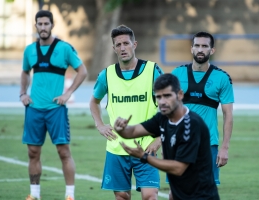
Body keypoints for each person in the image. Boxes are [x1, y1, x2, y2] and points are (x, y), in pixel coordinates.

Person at [113, 74, 220, 200]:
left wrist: (144, 156)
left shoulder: (191, 124)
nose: (162, 101)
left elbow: (178, 168)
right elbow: (133, 131)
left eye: (167, 96)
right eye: (158, 97)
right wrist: (121, 129)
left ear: (180, 94)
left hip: (202, 197)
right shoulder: (162, 119)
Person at [89, 25, 163, 200]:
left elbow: (172, 104)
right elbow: (94, 101)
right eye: (118, 44)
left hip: (146, 147)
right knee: (122, 196)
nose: (123, 48)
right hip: (117, 148)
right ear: (114, 48)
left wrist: (160, 138)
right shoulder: (106, 75)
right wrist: (99, 125)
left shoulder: (152, 71)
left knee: (150, 196)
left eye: (126, 43)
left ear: (134, 44)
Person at [20, 10, 87, 200]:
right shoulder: (29, 50)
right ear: (36, 26)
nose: (43, 27)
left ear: (52, 25)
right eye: (39, 24)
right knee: (33, 152)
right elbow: (25, 72)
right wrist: (23, 93)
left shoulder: (65, 48)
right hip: (34, 109)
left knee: (64, 152)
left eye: (46, 24)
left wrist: (68, 93)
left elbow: (82, 71)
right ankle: (34, 195)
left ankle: (69, 195)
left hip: (56, 110)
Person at [171, 31, 234, 187]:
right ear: (191, 49)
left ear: (212, 50)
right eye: (197, 46)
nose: (200, 49)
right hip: (180, 145)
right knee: (177, 193)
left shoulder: (222, 78)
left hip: (208, 145)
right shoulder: (177, 74)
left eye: (205, 46)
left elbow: (228, 114)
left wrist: (224, 148)